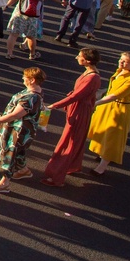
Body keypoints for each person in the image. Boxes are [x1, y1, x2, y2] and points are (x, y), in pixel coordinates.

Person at [40, 47, 102, 186]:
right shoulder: (91, 73)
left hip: (79, 111)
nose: (76, 58)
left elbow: (76, 96)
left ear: (87, 60)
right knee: (73, 140)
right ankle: (70, 166)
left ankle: (57, 177)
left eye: (79, 56)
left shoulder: (91, 77)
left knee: (69, 142)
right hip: (80, 109)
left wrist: (54, 105)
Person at [0, 67, 46, 193]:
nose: (23, 78)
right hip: (22, 130)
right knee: (19, 153)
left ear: (32, 80)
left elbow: (15, 115)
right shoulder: (37, 92)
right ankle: (23, 171)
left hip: (17, 132)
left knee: (9, 154)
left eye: (25, 77)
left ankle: (4, 183)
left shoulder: (31, 97)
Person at [87, 51, 130, 175]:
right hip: (107, 107)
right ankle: (102, 154)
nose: (121, 62)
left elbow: (114, 95)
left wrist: (95, 103)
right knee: (103, 132)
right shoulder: (119, 71)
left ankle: (102, 167)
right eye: (120, 59)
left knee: (113, 138)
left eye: (125, 61)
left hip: (119, 110)